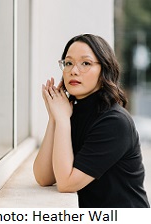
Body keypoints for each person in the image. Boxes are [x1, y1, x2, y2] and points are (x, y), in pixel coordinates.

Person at [33, 34, 150, 208]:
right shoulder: (71, 111)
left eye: (85, 63)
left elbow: (66, 183)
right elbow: (44, 177)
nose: (74, 70)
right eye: (68, 63)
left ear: (104, 70)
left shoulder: (114, 122)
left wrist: (63, 120)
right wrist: (54, 118)